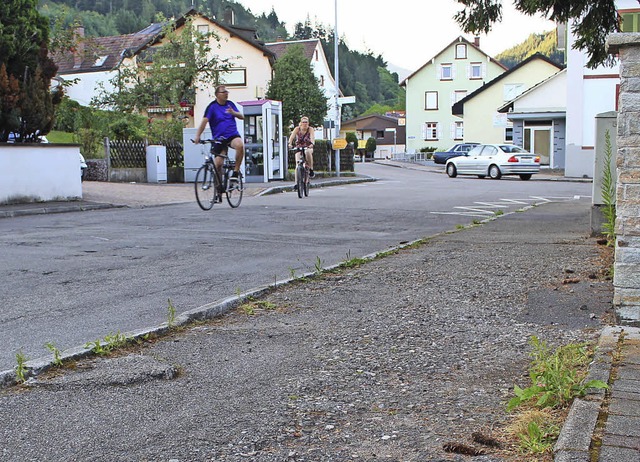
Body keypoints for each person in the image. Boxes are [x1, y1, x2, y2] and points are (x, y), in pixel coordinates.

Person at [194, 85, 244, 187]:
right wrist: (198, 136)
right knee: (218, 164)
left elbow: (242, 116)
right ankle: (218, 189)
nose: (226, 94)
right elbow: (204, 122)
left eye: (227, 92)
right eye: (223, 92)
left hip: (232, 135)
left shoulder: (230, 104)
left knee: (240, 145)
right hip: (219, 139)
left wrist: (233, 112)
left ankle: (235, 172)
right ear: (217, 95)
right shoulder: (212, 107)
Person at [288, 116, 315, 188]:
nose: (305, 124)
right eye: (303, 122)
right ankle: (297, 183)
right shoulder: (297, 129)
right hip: (299, 146)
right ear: (300, 123)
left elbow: (312, 137)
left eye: (306, 122)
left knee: (308, 152)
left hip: (308, 146)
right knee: (297, 163)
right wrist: (290, 144)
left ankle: (311, 169)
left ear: (308, 123)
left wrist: (312, 144)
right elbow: (291, 137)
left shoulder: (310, 129)